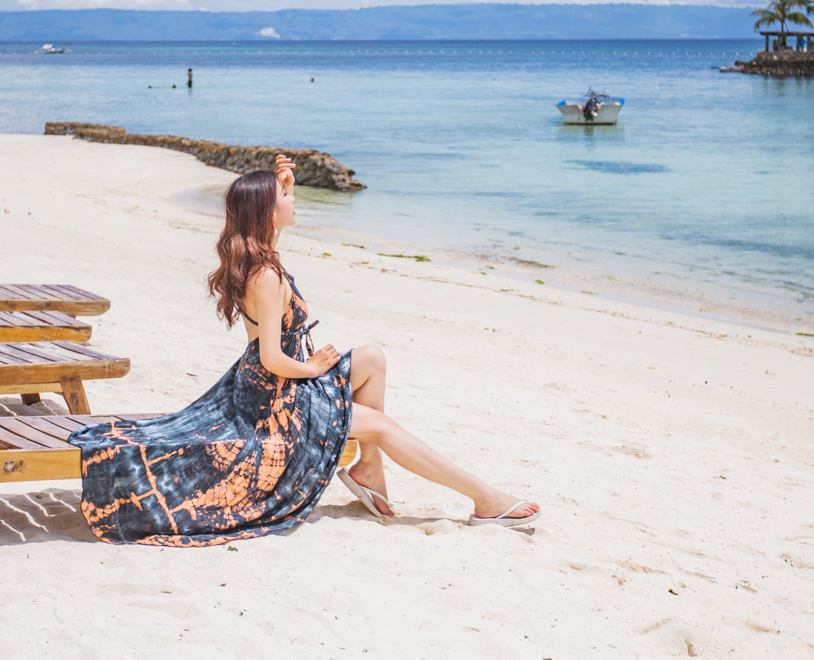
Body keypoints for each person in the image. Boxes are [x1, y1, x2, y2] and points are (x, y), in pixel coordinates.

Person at [68, 156, 538, 546]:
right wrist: (312, 366)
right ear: (267, 214)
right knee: (384, 426)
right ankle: (486, 501)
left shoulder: (261, 255)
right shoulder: (266, 276)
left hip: (274, 383)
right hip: (276, 399)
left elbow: (269, 313)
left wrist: (283, 180)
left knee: (372, 357)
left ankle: (369, 471)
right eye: (287, 198)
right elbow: (272, 357)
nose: (294, 201)